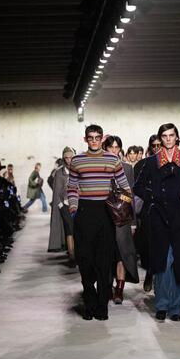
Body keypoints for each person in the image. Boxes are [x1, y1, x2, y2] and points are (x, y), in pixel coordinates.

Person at [133, 123, 180, 322]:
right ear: (161, 139)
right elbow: (138, 187)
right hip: (158, 216)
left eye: (171, 135)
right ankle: (162, 305)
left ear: (177, 137)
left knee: (179, 262)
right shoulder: (151, 162)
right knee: (163, 262)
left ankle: (176, 308)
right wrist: (152, 196)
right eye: (164, 136)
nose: (168, 139)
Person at [67, 124, 132, 321]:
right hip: (84, 212)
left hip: (105, 213)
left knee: (103, 263)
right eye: (91, 137)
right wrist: (74, 209)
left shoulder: (112, 159)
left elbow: (125, 186)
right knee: (85, 261)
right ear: (85, 139)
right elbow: (72, 187)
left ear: (102, 138)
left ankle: (102, 307)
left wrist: (122, 207)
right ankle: (90, 303)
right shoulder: (77, 160)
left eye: (97, 137)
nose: (94, 141)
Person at [103, 135, 140, 304]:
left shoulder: (127, 168)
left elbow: (131, 194)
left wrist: (133, 223)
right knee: (106, 253)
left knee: (121, 254)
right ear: (105, 148)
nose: (114, 150)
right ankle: (107, 286)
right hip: (104, 216)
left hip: (122, 217)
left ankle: (119, 289)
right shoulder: (100, 167)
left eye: (117, 147)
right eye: (111, 147)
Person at [134, 135, 162, 293]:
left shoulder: (171, 163)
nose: (157, 148)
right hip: (148, 210)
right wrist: (150, 195)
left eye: (159, 144)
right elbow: (136, 188)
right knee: (149, 246)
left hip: (167, 211)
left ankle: (158, 280)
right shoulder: (142, 165)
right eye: (154, 145)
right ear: (150, 147)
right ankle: (151, 271)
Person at [48, 147, 76, 267]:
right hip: (65, 205)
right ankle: (72, 257)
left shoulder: (79, 169)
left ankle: (78, 255)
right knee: (69, 230)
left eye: (71, 157)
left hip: (79, 205)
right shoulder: (60, 172)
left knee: (78, 230)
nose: (69, 160)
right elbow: (57, 191)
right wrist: (60, 205)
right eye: (66, 158)